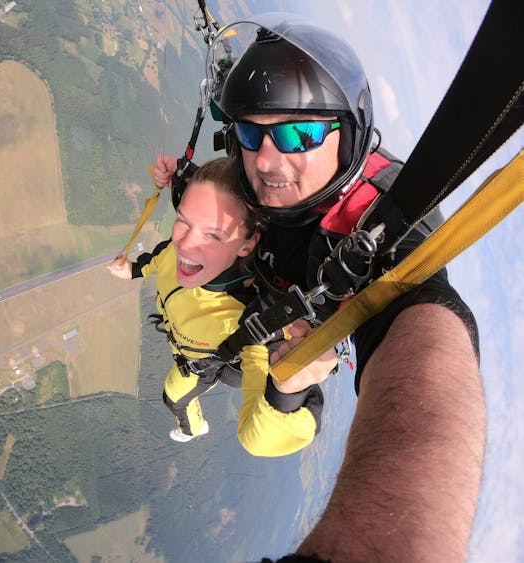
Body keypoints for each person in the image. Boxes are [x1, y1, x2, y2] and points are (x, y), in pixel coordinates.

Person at [153, 14, 484, 562]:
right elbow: (223, 178)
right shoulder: (250, 163)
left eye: (296, 133)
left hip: (262, 349)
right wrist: (182, 187)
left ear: (348, 132)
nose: (265, 157)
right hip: (221, 311)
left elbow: (426, 336)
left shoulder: (379, 223)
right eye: (251, 131)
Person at [109, 156, 324, 454]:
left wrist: (289, 393)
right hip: (197, 350)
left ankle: (193, 428)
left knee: (173, 399)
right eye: (183, 220)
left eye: (213, 234)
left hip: (209, 365)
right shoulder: (173, 250)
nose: (186, 244)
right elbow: (156, 258)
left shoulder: (249, 314)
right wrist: (132, 270)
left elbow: (265, 436)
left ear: (247, 245)